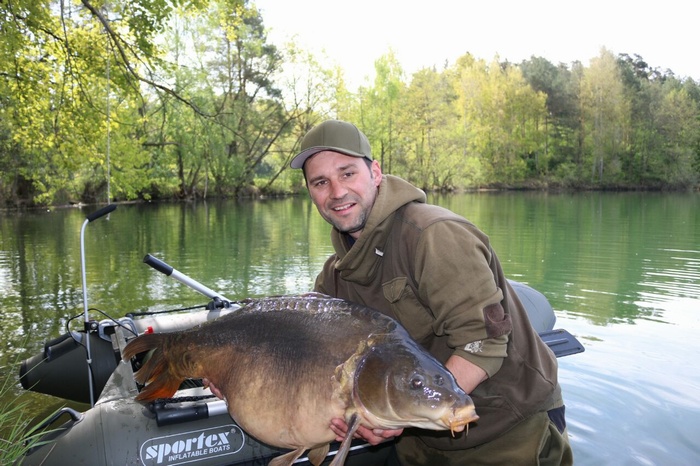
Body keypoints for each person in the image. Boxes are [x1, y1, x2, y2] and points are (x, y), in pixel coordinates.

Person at [290, 119, 573, 465]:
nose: (336, 192)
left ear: (375, 173)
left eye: (348, 174)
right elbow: (312, 353)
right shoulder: (334, 276)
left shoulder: (434, 235)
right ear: (310, 193)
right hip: (419, 437)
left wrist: (398, 412)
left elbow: (483, 343)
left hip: (507, 428)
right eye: (321, 182)